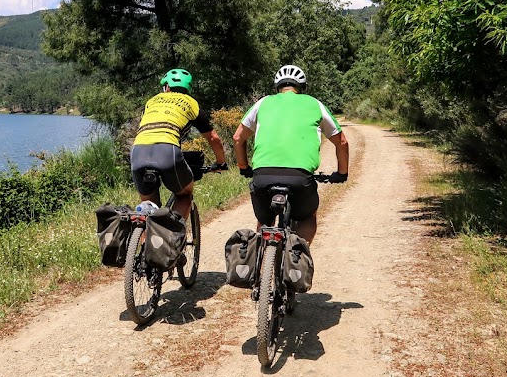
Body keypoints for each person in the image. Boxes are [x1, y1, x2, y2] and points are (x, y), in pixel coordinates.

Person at [232, 64, 349, 244]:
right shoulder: (314, 103)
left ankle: (261, 260)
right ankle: (297, 257)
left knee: (265, 220)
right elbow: (341, 142)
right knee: (306, 217)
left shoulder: (263, 102)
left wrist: (244, 167)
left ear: (277, 87)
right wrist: (342, 173)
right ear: (301, 88)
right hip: (300, 177)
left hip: (263, 175)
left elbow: (238, 137)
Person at [131, 68, 228, 220]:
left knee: (147, 206)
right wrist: (221, 162)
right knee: (184, 195)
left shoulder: (152, 101)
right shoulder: (190, 103)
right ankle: (173, 237)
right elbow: (213, 138)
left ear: (166, 87)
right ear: (187, 89)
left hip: (138, 151)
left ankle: (144, 239)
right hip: (167, 151)